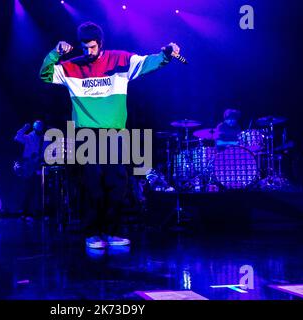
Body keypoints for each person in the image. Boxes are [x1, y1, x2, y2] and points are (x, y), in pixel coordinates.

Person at [39, 21, 182, 249]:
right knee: (92, 185)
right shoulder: (71, 67)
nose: (89, 52)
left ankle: (113, 231)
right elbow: (45, 74)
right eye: (85, 48)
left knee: (117, 184)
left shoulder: (120, 60)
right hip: (86, 135)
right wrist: (55, 53)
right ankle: (92, 233)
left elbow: (147, 62)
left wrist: (166, 54)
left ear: (101, 44)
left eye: (93, 47)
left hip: (115, 133)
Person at [13, 120, 45, 220]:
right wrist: (24, 128)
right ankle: (25, 212)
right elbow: (17, 137)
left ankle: (37, 212)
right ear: (35, 129)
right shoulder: (30, 137)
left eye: (41, 130)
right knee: (28, 188)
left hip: (39, 164)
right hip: (28, 165)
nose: (39, 132)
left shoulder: (43, 138)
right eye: (37, 130)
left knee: (39, 189)